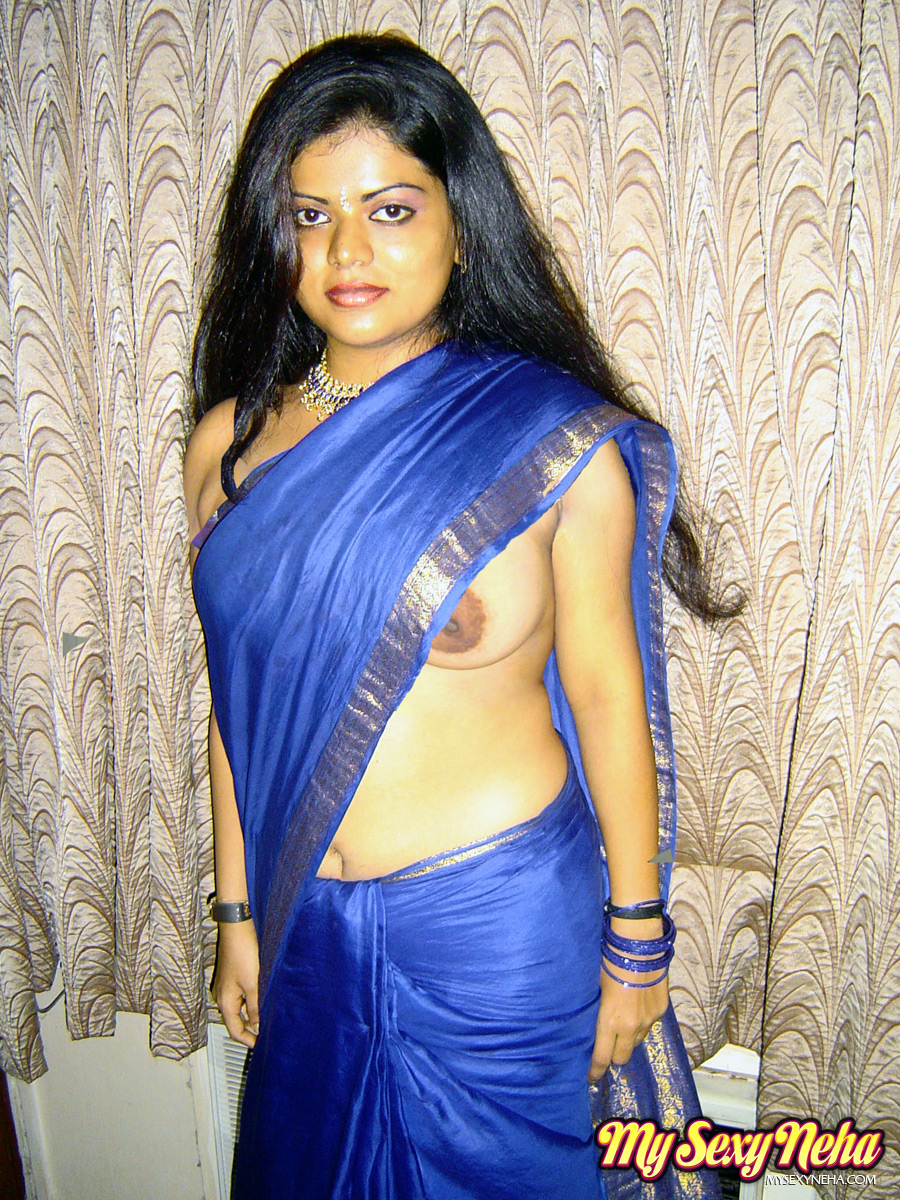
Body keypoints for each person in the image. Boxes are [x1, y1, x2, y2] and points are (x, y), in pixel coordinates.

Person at [183, 32, 734, 1200]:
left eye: (390, 209)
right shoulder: (229, 450)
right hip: (298, 914)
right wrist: (234, 912)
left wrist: (639, 939)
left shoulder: (552, 445)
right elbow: (238, 708)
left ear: (461, 226)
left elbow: (608, 698)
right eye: (311, 215)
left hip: (495, 931)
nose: (346, 251)